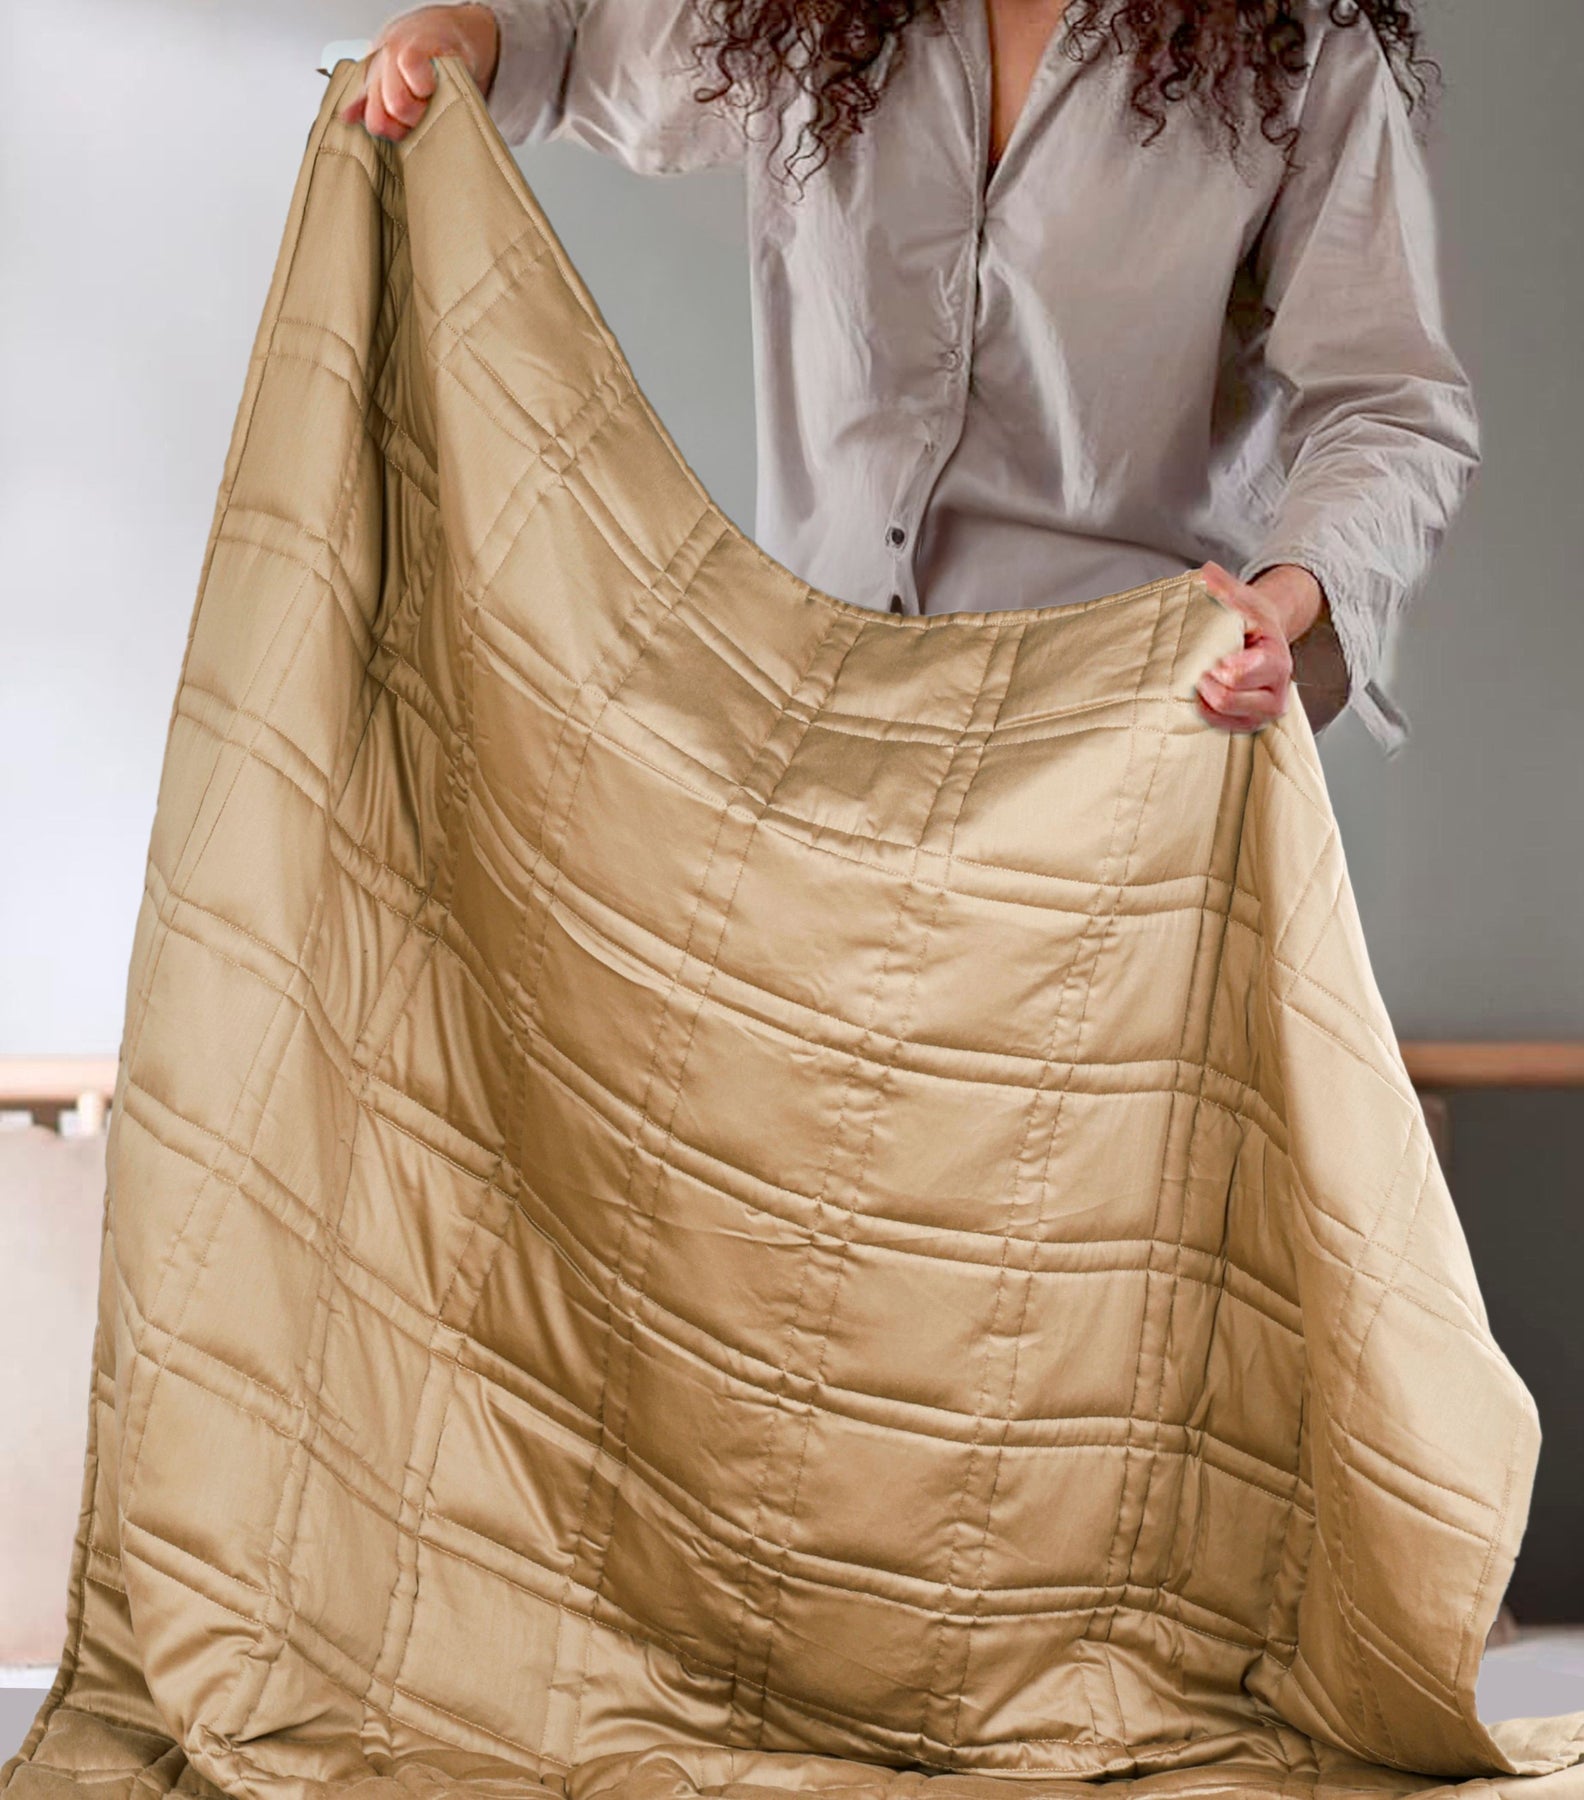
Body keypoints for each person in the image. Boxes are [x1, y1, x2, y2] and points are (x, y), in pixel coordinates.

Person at [339, 0, 1481, 755]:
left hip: (1117, 739)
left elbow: (1389, 406)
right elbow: (577, 51)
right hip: (819, 732)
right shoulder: (803, 18)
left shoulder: (1302, 50)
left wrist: (1289, 600)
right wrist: (465, 39)